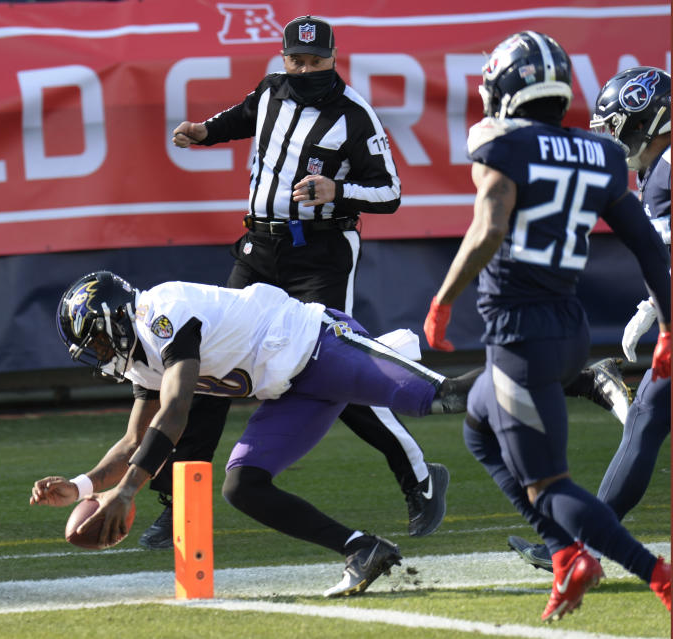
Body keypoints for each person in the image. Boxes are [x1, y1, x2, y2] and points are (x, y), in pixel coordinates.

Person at [153, 13, 449, 551]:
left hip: (320, 253)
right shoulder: (271, 89)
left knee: (335, 370)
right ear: (283, 56)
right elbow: (244, 115)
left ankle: (417, 474)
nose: (305, 69)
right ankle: (179, 502)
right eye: (296, 59)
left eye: (316, 61)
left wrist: (337, 190)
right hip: (259, 247)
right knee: (208, 366)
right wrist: (206, 132)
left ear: (334, 58)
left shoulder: (355, 114)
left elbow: (391, 193)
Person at [422, 32, 671, 622]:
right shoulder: (602, 156)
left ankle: (649, 573)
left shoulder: (500, 142)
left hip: (520, 331)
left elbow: (487, 228)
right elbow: (648, 248)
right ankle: (564, 552)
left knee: (548, 483)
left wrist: (441, 301)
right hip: (568, 329)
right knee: (480, 426)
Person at [33, 271, 475, 597]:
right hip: (292, 391)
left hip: (321, 345)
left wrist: (128, 490)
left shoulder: (159, 312)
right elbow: (134, 440)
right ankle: (362, 549)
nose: (101, 355)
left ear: (114, 318)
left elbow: (175, 413)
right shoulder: (140, 359)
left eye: (98, 342)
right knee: (243, 485)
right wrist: (80, 486)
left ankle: (529, 375)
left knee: (444, 397)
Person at [508, 66, 672, 573]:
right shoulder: (659, 167)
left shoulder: (665, 171)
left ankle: (585, 545)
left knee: (646, 416)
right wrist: (654, 306)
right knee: (647, 416)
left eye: (616, 124)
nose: (610, 136)